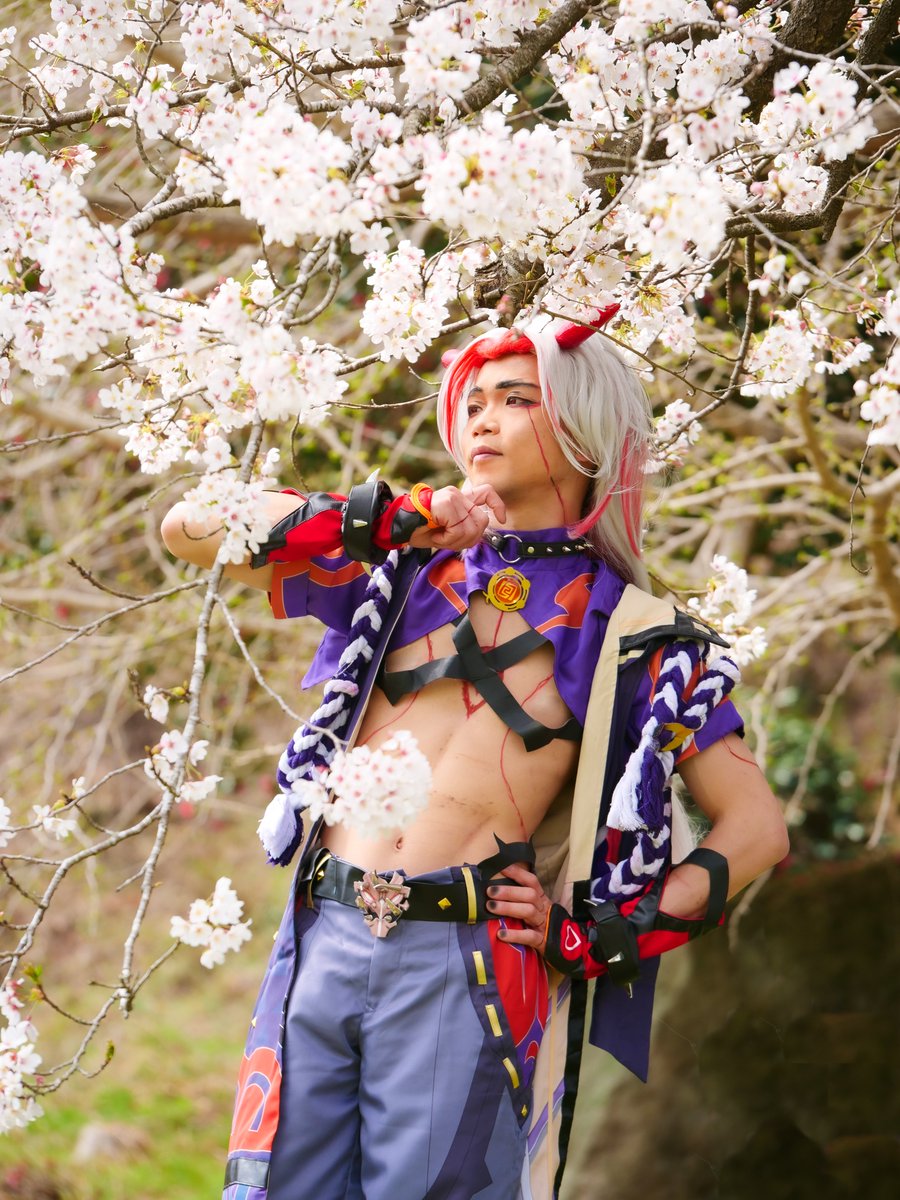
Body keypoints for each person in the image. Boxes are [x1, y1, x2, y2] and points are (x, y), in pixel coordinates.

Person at [161, 310, 788, 1200]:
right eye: (476, 401)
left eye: (517, 399)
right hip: (322, 933)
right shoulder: (397, 568)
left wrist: (597, 935)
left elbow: (756, 828)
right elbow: (189, 525)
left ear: (586, 430)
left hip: (466, 961)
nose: (484, 419)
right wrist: (388, 516)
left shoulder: (635, 634)